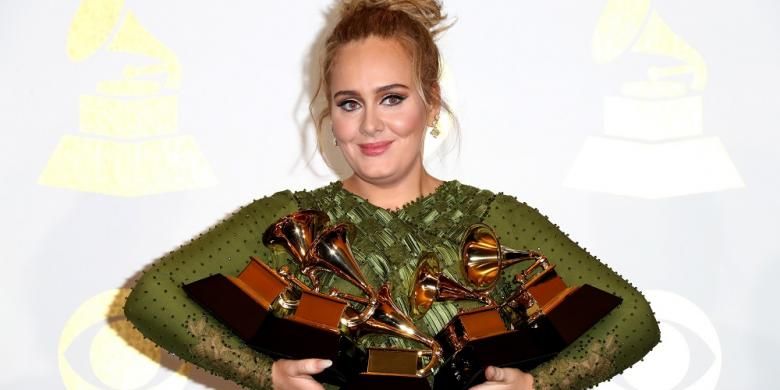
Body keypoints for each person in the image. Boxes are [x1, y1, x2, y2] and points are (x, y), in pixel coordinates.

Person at [123, 1, 660, 389]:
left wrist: (536, 387)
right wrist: (266, 376)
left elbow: (633, 318)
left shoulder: (496, 220)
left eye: (392, 98)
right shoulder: (288, 220)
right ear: (330, 117)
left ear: (431, 103)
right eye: (350, 103)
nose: (371, 125)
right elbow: (152, 298)